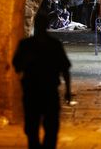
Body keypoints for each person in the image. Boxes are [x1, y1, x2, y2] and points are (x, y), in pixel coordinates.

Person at [12, 13, 72, 149]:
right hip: (47, 90)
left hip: (32, 91)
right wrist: (68, 91)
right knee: (49, 127)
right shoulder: (54, 45)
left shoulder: (26, 45)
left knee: (34, 127)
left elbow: (16, 66)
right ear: (47, 25)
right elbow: (65, 70)